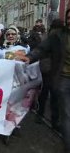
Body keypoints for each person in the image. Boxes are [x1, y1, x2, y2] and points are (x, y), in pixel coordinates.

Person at [17, 9, 70, 153]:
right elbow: (42, 49)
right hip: (63, 78)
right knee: (66, 113)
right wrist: (29, 57)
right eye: (68, 17)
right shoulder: (57, 36)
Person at [36, 19, 64, 130]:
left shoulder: (51, 37)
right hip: (50, 71)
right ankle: (50, 119)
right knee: (50, 95)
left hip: (52, 71)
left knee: (49, 95)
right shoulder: (49, 38)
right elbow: (42, 54)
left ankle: (43, 115)